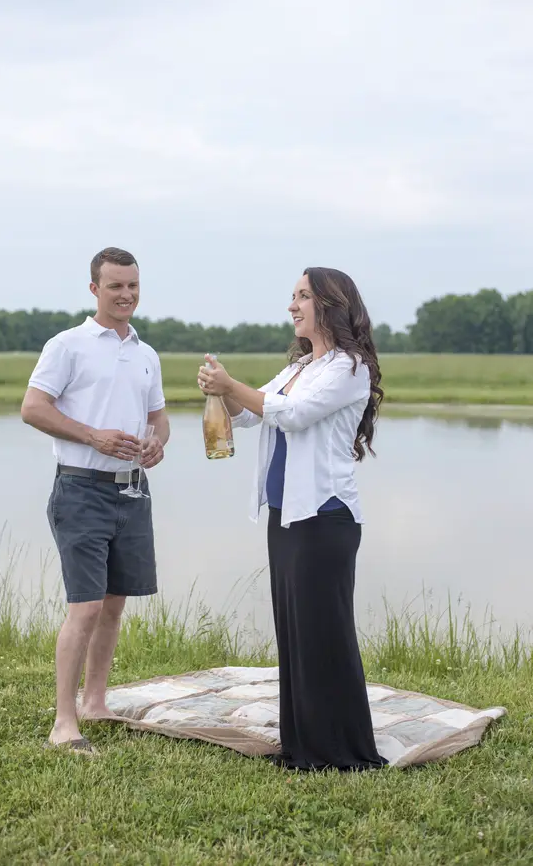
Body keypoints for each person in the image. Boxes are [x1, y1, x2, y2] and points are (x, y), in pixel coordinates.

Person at [198, 268, 386, 771]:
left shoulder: (350, 369)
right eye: (294, 296)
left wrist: (231, 384)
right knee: (295, 632)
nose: (293, 305)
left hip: (325, 518)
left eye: (303, 296)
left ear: (329, 304)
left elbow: (295, 414)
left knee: (326, 634)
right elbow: (255, 413)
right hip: (285, 518)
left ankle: (340, 751)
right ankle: (301, 745)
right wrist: (218, 392)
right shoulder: (300, 367)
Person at [22, 247, 169, 754]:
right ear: (94, 290)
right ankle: (64, 723)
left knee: (112, 607)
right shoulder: (68, 345)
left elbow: (159, 417)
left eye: (132, 285)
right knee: (83, 608)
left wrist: (156, 442)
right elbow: (33, 408)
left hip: (133, 491)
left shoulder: (146, 354)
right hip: (80, 490)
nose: (126, 294)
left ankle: (96, 701)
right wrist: (92, 436)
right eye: (115, 286)